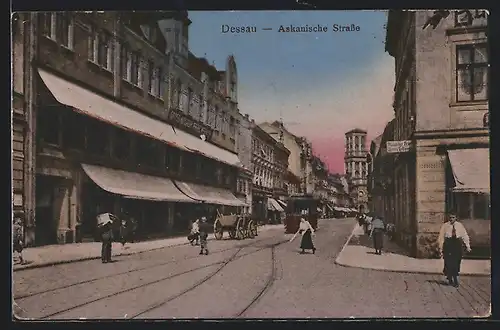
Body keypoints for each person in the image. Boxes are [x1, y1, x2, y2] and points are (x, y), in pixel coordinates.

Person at [438, 212, 471, 287]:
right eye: (450, 217)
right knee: (448, 261)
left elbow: (464, 235)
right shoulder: (445, 226)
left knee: (456, 261)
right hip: (448, 244)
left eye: (453, 217)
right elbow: (441, 237)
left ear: (456, 218)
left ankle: (455, 277)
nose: (451, 219)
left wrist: (467, 246)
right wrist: (441, 248)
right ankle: (450, 278)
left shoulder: (459, 225)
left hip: (456, 244)